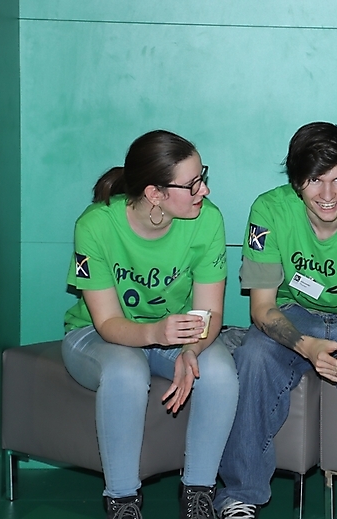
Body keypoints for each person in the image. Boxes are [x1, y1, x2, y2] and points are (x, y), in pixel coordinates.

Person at [215, 122, 337, 519]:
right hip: (295, 314)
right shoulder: (269, 210)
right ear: (296, 181)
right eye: (314, 180)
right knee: (254, 356)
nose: (327, 194)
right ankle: (239, 495)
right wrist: (308, 347)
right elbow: (262, 308)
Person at [62, 130, 239, 519]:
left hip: (176, 334)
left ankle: (198, 494)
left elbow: (209, 312)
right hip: (97, 335)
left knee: (219, 371)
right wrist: (155, 333)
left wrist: (191, 350)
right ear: (154, 193)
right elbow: (107, 321)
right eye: (192, 184)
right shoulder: (95, 225)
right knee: (126, 372)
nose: (204, 190)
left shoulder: (208, 219)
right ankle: (122, 501)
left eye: (202, 177)